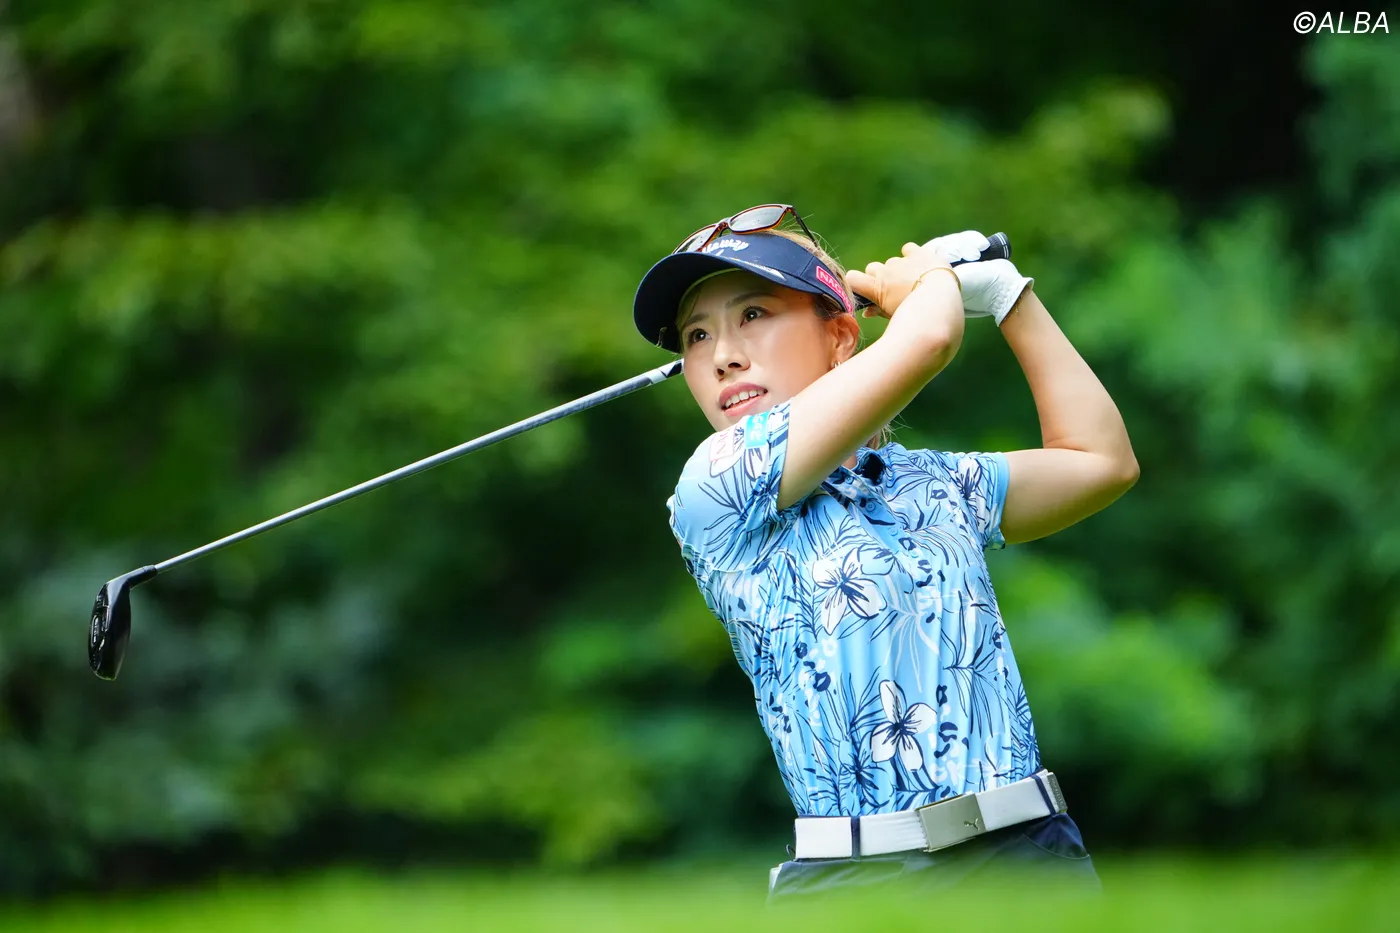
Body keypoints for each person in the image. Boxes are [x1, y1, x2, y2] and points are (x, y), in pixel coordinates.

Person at [631, 205, 1138, 899]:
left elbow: (1102, 462)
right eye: (697, 334)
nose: (724, 354)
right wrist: (932, 280)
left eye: (753, 314)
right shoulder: (714, 486)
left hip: (1029, 853)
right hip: (853, 880)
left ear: (841, 336)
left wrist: (1009, 296)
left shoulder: (931, 483)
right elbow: (929, 336)